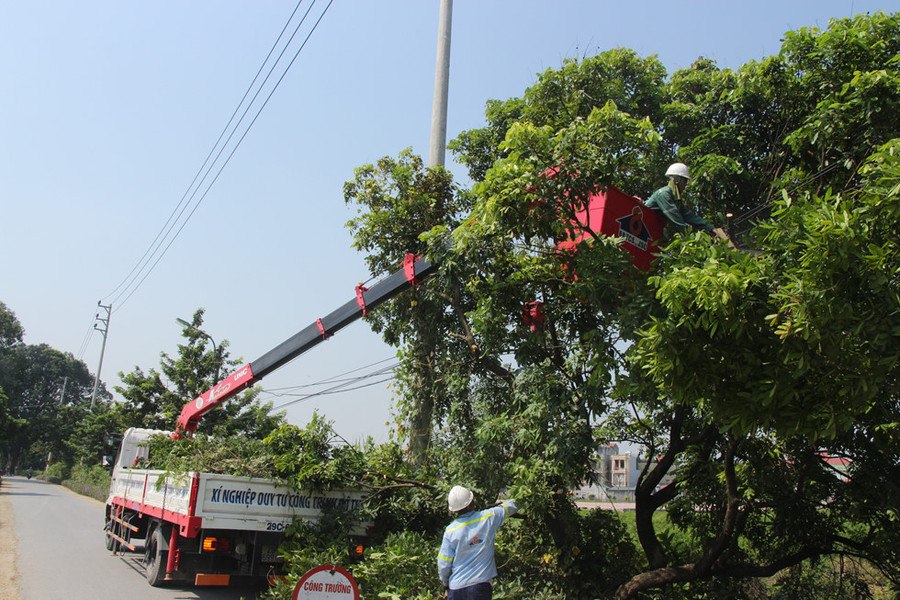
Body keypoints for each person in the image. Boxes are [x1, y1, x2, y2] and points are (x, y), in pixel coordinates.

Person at [437, 485, 518, 599]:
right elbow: (510, 506)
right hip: (479, 587)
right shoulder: (488, 518)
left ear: (453, 509)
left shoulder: (450, 530)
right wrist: (526, 495)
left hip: (456, 589)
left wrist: (445, 585)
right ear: (471, 502)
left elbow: (443, 563)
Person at [644, 163, 730, 242]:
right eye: (685, 181)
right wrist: (693, 239)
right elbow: (677, 220)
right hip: (644, 228)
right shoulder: (664, 194)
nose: (685, 185)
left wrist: (711, 228)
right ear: (678, 180)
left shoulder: (675, 199)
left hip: (652, 232)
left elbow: (689, 216)